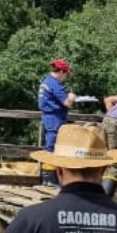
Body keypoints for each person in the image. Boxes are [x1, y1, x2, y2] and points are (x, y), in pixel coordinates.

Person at [37, 59, 77, 187]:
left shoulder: (46, 81)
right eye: (65, 74)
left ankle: (49, 178)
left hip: (49, 116)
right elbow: (67, 103)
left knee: (51, 145)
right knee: (52, 146)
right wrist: (71, 97)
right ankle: (49, 179)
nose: (65, 77)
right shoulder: (55, 84)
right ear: (60, 72)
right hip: (55, 118)